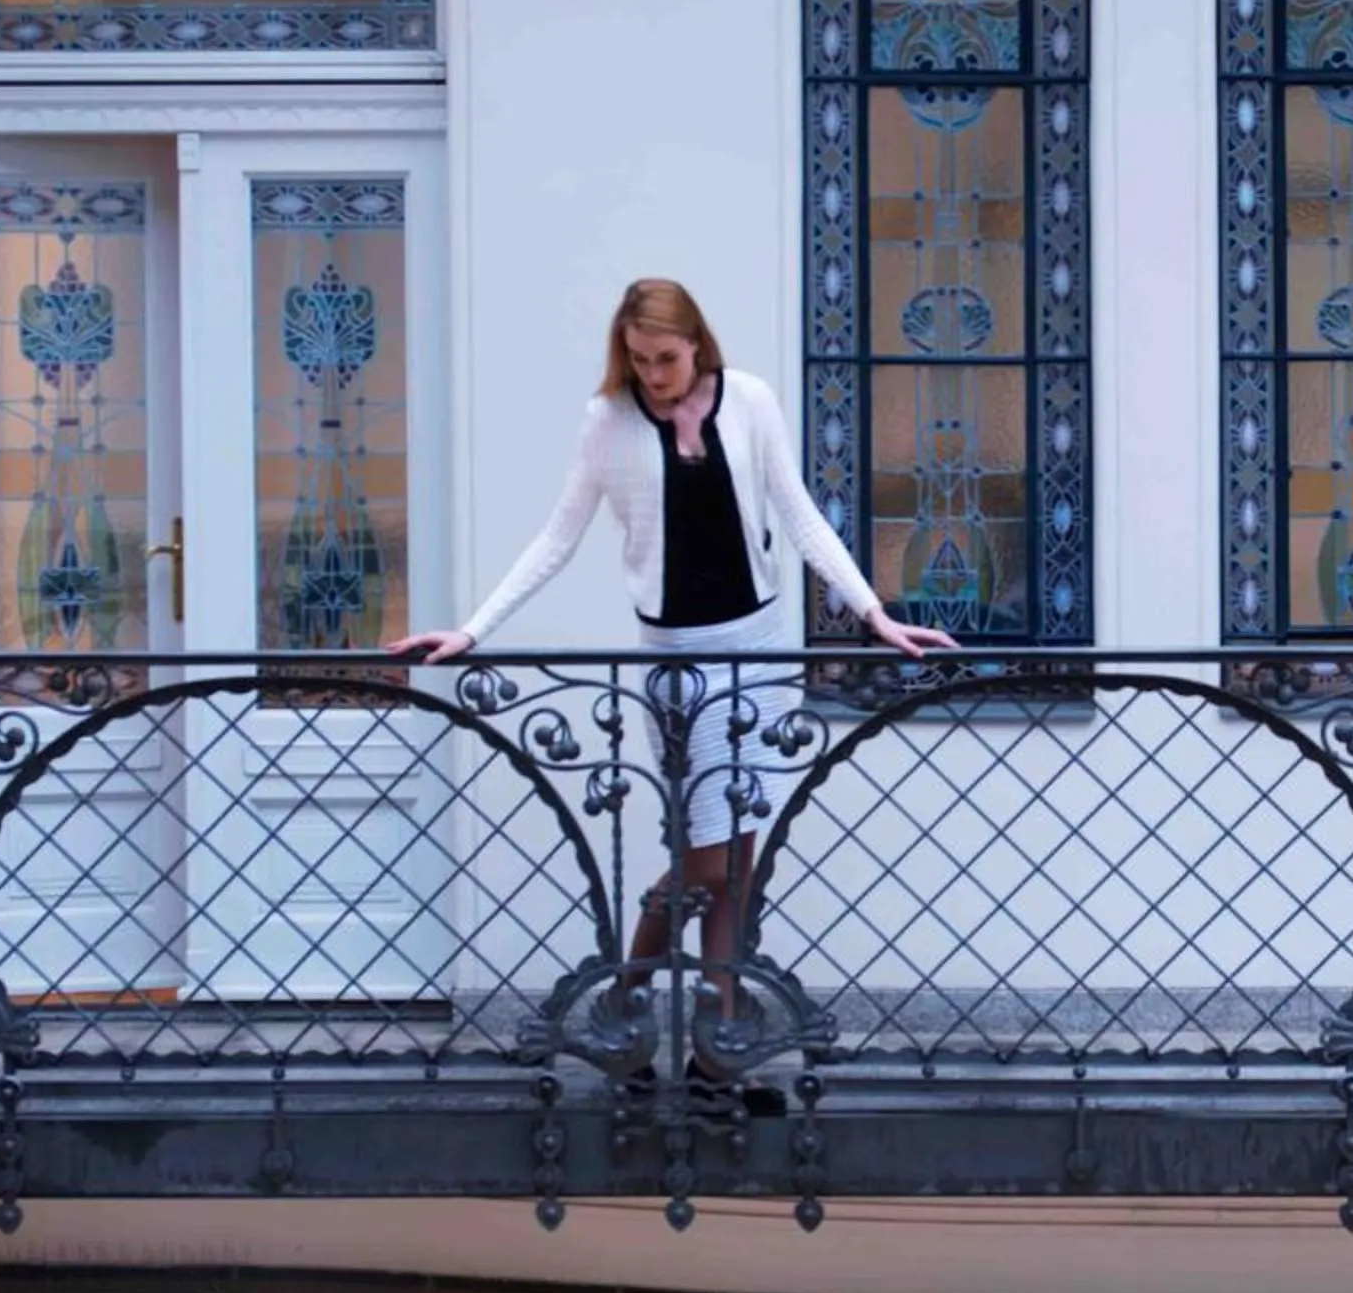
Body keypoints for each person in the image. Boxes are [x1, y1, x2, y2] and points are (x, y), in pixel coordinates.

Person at [384, 279, 955, 1047]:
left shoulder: (747, 399)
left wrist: (874, 613)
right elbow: (558, 536)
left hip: (759, 648)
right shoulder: (608, 423)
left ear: (697, 346)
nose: (654, 375)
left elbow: (798, 514)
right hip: (678, 659)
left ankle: (720, 1027)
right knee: (707, 857)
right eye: (639, 359)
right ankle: (625, 992)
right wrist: (474, 630)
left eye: (666, 359)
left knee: (742, 842)